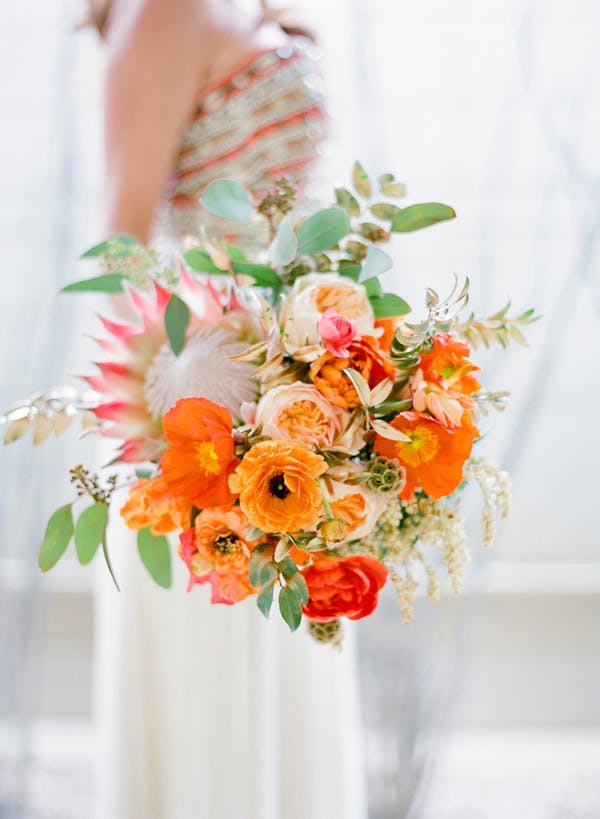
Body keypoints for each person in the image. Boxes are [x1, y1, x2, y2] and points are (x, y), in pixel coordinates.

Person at [92, 2, 368, 817]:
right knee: (217, 659)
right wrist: (158, 424)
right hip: (207, 404)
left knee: (292, 659)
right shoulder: (165, 12)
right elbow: (121, 236)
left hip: (305, 383)